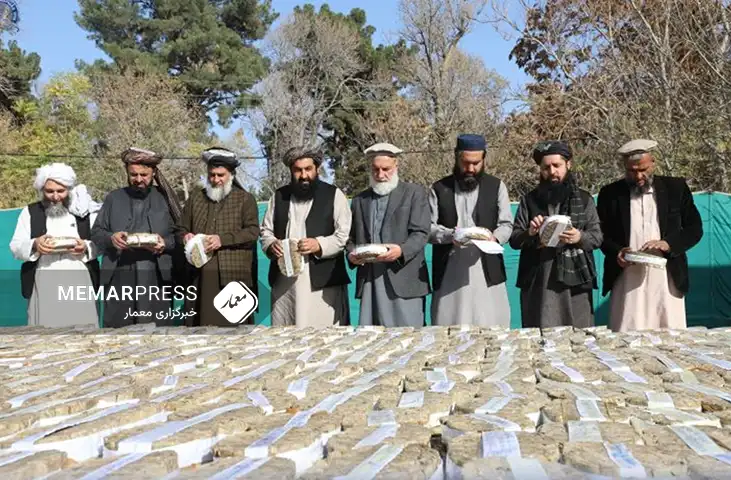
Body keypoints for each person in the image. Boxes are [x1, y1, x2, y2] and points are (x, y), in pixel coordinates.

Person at [597, 139, 703, 332]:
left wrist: (668, 244)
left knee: (669, 331)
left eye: (643, 169)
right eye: (632, 171)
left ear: (653, 163)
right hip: (627, 276)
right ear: (624, 168)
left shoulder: (675, 188)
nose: (638, 176)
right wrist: (617, 252)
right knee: (627, 331)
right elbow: (600, 234)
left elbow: (694, 229)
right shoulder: (610, 194)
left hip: (667, 275)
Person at [510, 140, 602, 328]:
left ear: (568, 164)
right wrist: (531, 233)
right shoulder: (530, 200)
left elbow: (597, 237)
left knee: (579, 337)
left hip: (576, 281)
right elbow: (514, 239)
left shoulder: (584, 199)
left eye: (556, 166)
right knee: (539, 335)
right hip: (538, 281)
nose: (552, 172)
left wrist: (579, 237)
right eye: (546, 167)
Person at [260, 147, 351, 327]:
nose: (303, 175)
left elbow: (344, 235)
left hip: (322, 283)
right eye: (298, 170)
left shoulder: (334, 195)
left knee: (323, 335)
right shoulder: (278, 196)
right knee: (286, 333)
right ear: (291, 171)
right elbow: (265, 231)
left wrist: (319, 244)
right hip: (285, 283)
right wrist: (271, 245)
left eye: (308, 169)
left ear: (317, 169)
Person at [429, 134, 513, 327]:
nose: (470, 169)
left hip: (487, 270)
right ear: (456, 157)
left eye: (476, 163)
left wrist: (494, 238)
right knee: (449, 326)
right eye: (465, 163)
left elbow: (507, 224)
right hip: (450, 269)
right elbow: (428, 228)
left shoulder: (497, 186)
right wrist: (450, 235)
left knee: (491, 326)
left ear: (484, 159)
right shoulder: (439, 188)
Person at [91, 147, 180, 328]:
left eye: (144, 175)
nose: (138, 179)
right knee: (119, 333)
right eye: (133, 175)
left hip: (156, 277)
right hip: (120, 274)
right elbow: (97, 232)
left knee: (156, 332)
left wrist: (165, 243)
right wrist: (111, 238)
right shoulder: (114, 198)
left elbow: (180, 234)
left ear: (153, 173)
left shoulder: (166, 199)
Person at [346, 142, 431, 327]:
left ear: (396, 166)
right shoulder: (360, 199)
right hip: (370, 280)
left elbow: (421, 232)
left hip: (404, 276)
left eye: (386, 169)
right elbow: (350, 238)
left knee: (408, 337)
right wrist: (352, 254)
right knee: (371, 337)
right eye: (375, 169)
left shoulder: (414, 193)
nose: (380, 174)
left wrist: (401, 251)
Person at [10, 163, 102, 327]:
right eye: (49, 191)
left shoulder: (85, 212)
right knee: (46, 328)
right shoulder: (30, 212)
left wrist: (85, 247)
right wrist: (35, 244)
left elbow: (101, 244)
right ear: (42, 190)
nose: (55, 197)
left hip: (78, 276)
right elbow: (16, 246)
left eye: (61, 191)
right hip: (44, 276)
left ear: (69, 189)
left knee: (81, 327)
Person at [178, 147, 260, 327]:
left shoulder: (245, 199)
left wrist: (222, 240)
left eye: (220, 175)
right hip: (199, 278)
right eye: (211, 175)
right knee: (200, 331)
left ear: (231, 175)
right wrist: (185, 236)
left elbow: (253, 232)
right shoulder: (195, 199)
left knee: (234, 335)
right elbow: (180, 229)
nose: (215, 180)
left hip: (232, 278)